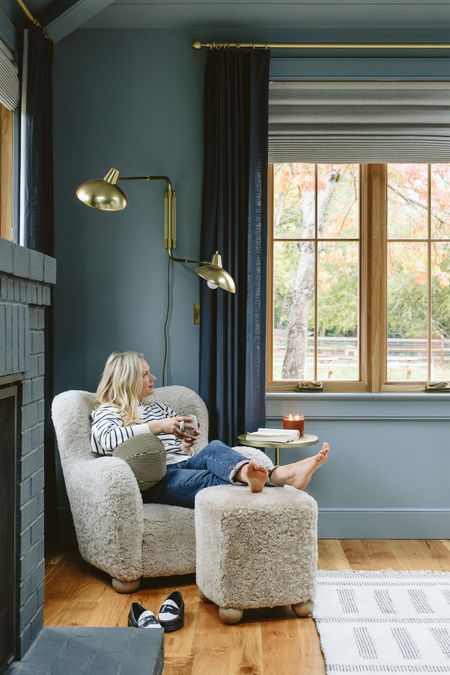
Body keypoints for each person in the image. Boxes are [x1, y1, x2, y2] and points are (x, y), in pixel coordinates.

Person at [91, 351, 329, 508]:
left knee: (213, 447)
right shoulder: (110, 410)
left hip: (180, 464)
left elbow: (181, 449)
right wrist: (156, 427)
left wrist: (186, 443)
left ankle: (261, 474)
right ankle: (278, 476)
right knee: (209, 478)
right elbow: (104, 440)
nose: (153, 377)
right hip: (157, 479)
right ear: (127, 379)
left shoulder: (158, 407)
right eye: (145, 374)